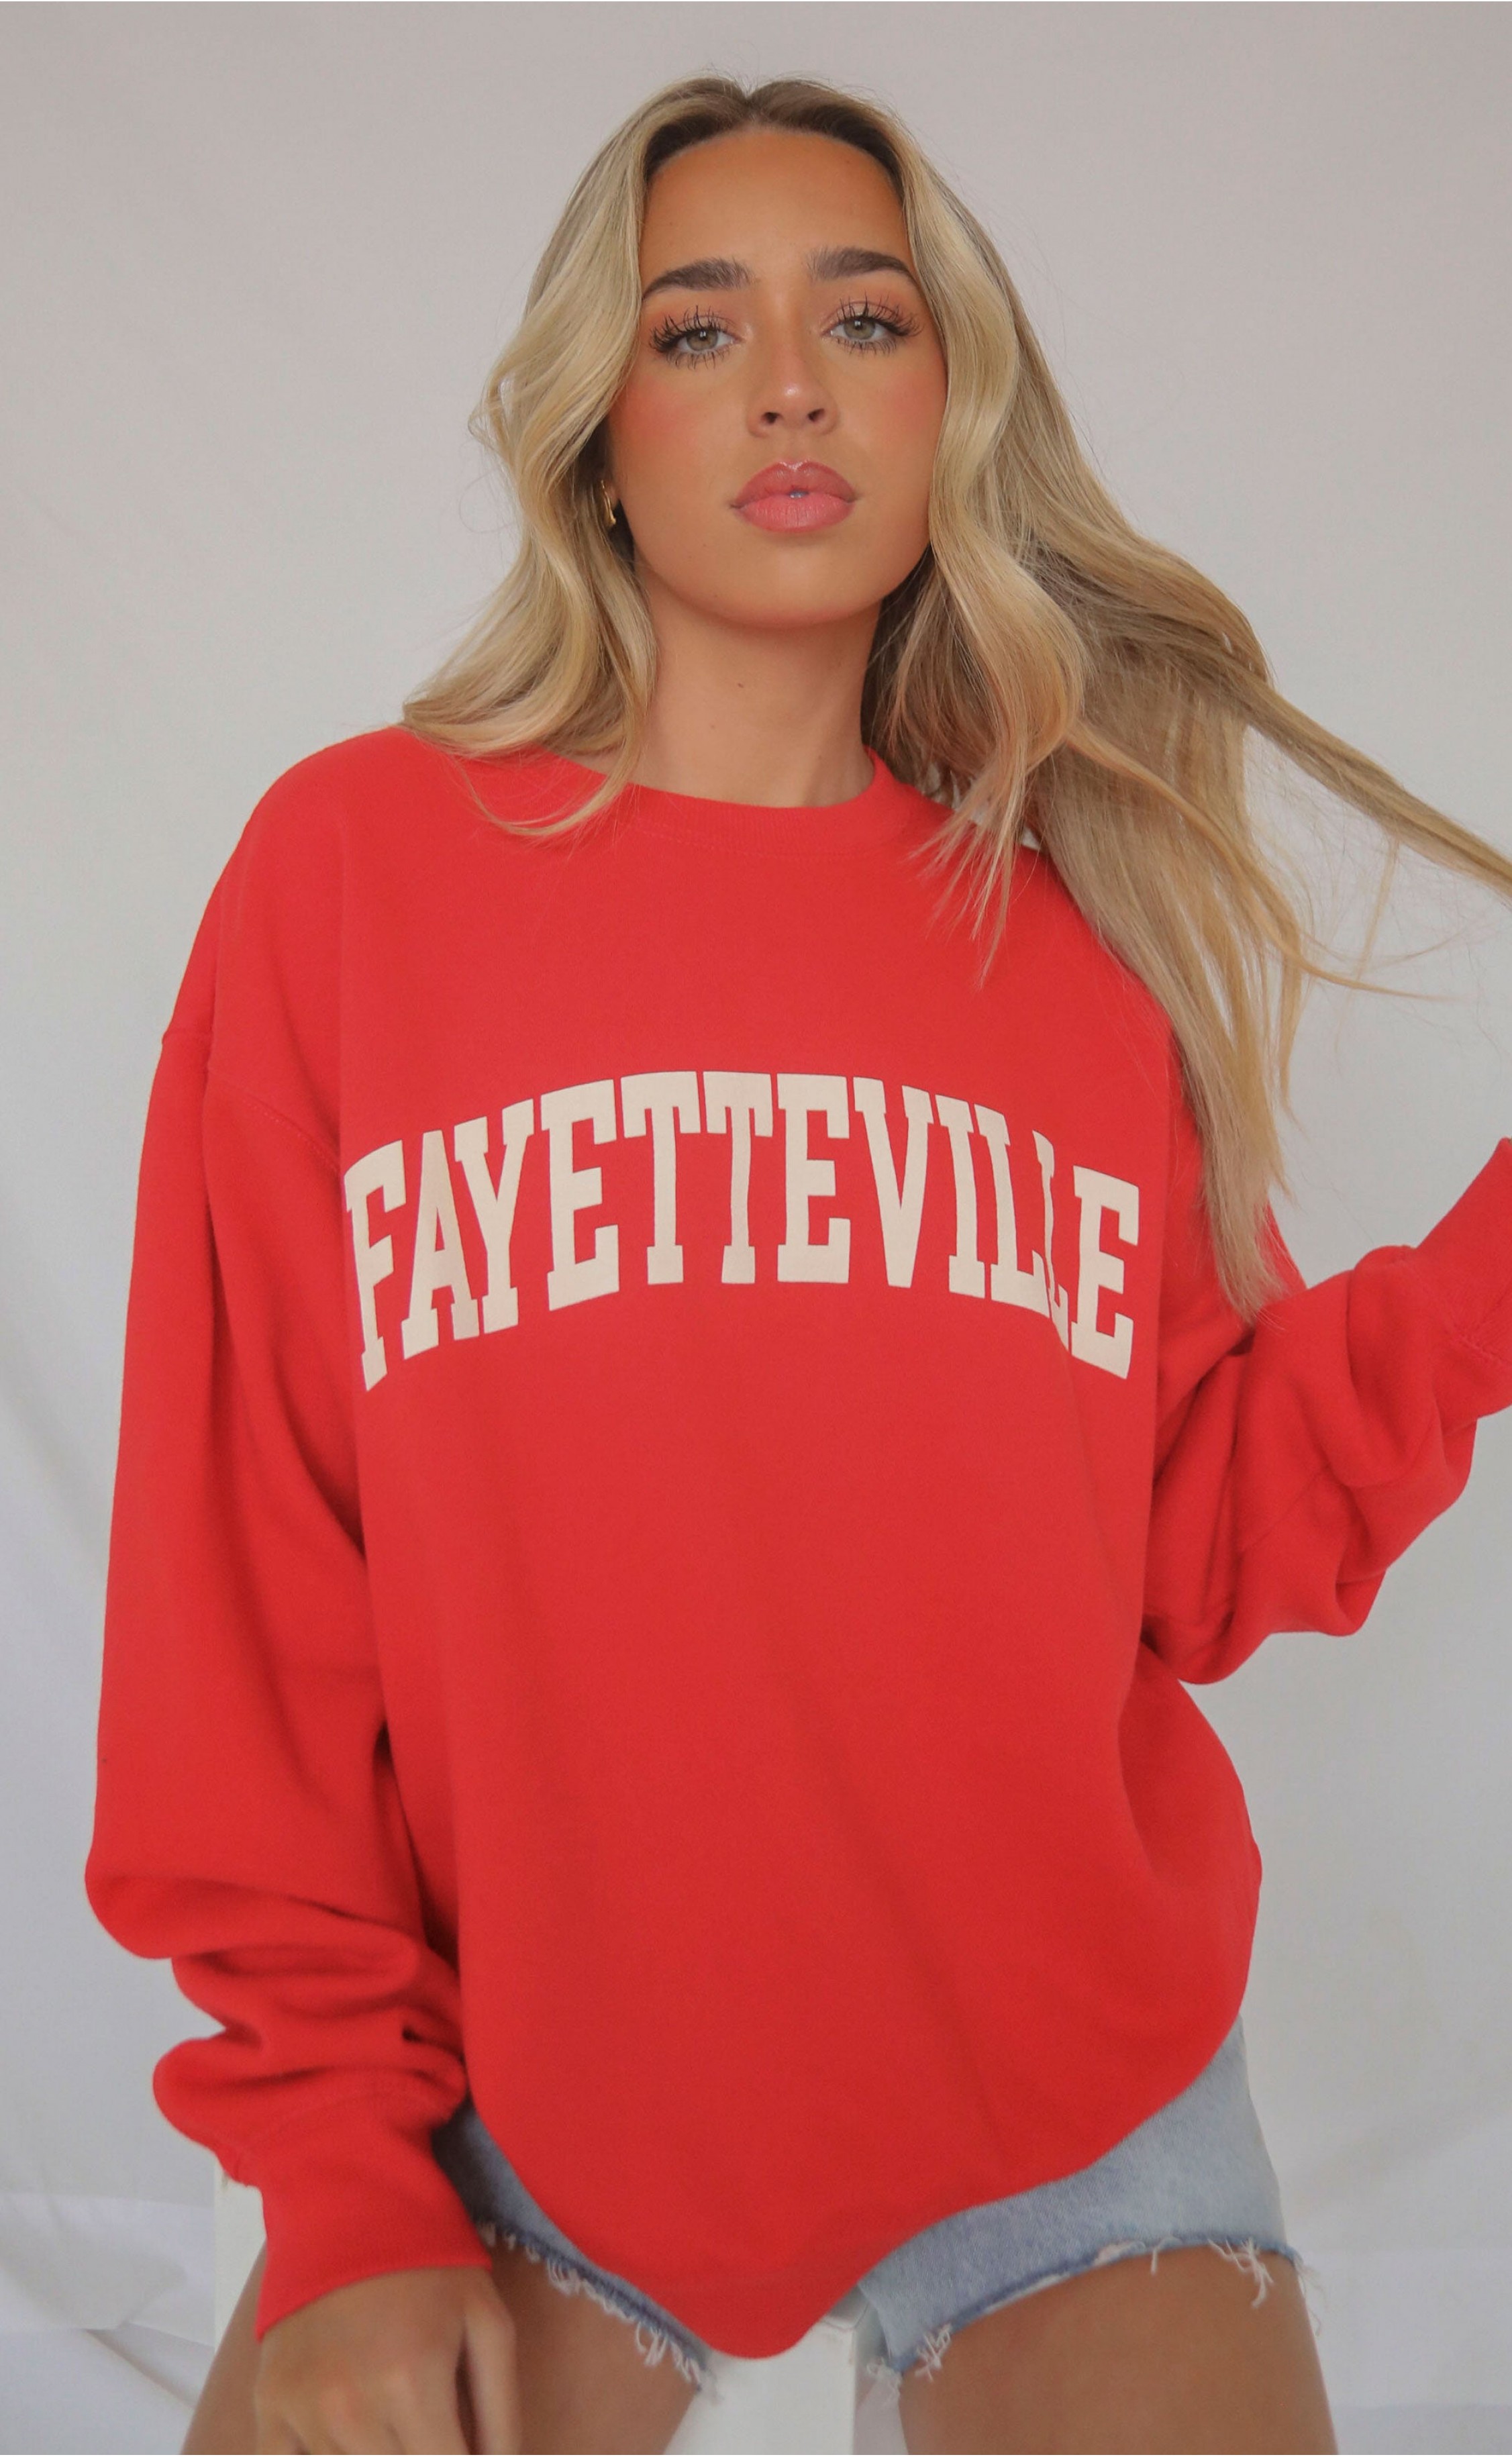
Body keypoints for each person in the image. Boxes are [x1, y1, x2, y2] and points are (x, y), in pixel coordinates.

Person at [84, 70, 1512, 2457]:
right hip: (540, 2084)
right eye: (696, 325)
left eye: (864, 317)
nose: (787, 384)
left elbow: (1177, 1541)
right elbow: (244, 1574)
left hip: (1067, 2078)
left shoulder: (1074, 967)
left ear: (953, 409)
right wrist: (340, 2174)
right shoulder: (357, 880)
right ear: (595, 434)